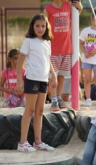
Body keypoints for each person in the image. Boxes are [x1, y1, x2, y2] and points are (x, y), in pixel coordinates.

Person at [16, 14, 57, 152]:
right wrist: (19, 81)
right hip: (32, 78)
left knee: (40, 111)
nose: (40, 28)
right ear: (32, 27)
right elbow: (20, 61)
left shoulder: (47, 42)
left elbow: (48, 60)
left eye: (43, 26)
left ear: (47, 27)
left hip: (43, 80)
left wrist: (54, 75)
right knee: (30, 110)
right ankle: (22, 143)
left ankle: (38, 142)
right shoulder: (29, 41)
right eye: (37, 26)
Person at [44, 0, 83, 111]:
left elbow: (74, 19)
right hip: (53, 49)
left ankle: (59, 97)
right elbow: (44, 26)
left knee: (61, 75)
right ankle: (54, 99)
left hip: (66, 49)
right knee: (53, 77)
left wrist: (80, 8)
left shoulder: (68, 5)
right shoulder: (48, 9)